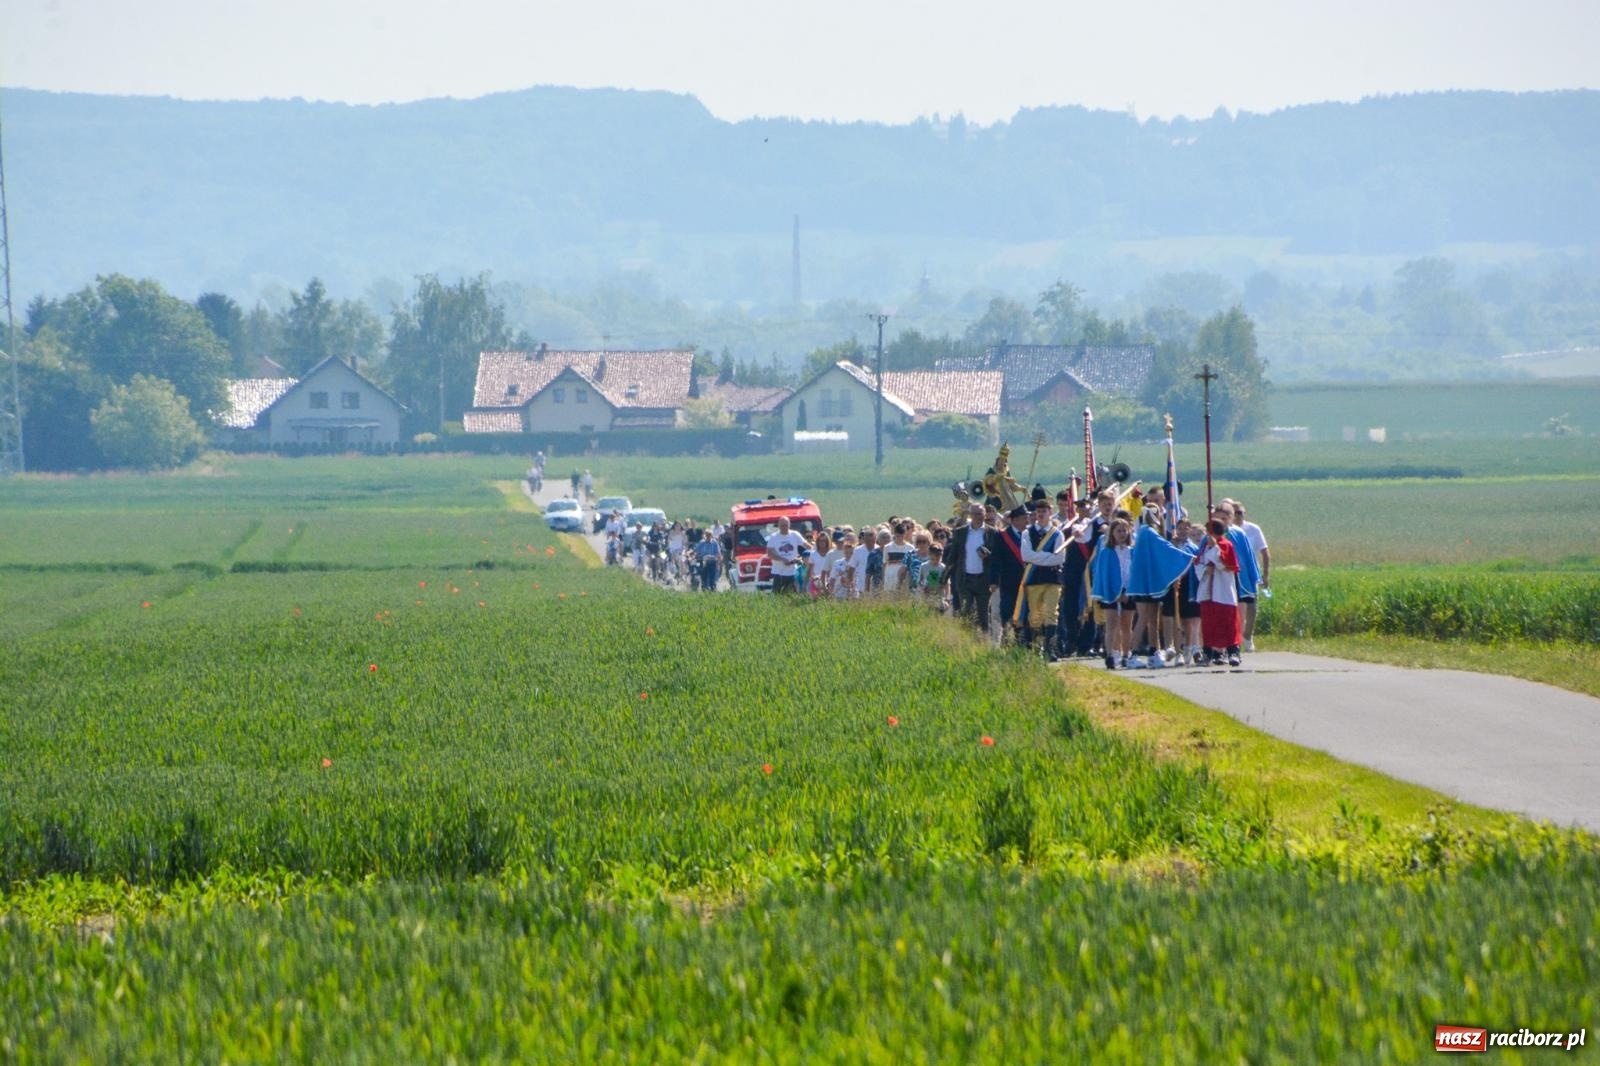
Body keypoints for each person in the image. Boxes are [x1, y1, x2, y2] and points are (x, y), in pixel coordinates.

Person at [1020, 498, 1069, 661]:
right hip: (1034, 579)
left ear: (1049, 512)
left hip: (1052, 579)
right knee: (1035, 615)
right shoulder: (1027, 533)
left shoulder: (1057, 534)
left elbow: (1059, 558)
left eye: (1044, 511)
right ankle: (1037, 647)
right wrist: (1046, 557)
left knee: (1051, 613)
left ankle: (1050, 648)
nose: (1040, 515)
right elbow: (1026, 555)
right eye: (1038, 512)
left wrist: (1037, 558)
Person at [1195, 516, 1243, 666]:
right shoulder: (1206, 546)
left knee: (1228, 622)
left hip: (1223, 590)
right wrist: (1205, 569)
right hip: (1208, 590)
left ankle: (1233, 651)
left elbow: (1226, 565)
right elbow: (1199, 563)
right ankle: (1209, 652)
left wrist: (1215, 548)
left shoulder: (1226, 545)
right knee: (1209, 623)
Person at [943, 503, 998, 633]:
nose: (977, 516)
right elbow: (953, 556)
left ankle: (984, 642)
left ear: (985, 514)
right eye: (974, 514)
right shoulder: (960, 532)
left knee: (983, 614)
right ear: (970, 515)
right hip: (965, 579)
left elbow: (997, 557)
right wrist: (944, 577)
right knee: (966, 612)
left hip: (983, 580)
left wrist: (988, 556)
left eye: (979, 513)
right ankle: (966, 641)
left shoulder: (992, 533)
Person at [1089, 517, 1135, 669]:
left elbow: (1133, 572)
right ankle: (1110, 654)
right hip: (1110, 592)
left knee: (1126, 625)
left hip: (1128, 590)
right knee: (1111, 623)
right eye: (1118, 531)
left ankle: (1126, 655)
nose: (1122, 534)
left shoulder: (1131, 551)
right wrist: (1110, 592)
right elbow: (1103, 573)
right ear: (1112, 533)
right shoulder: (1106, 552)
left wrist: (1128, 592)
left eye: (1124, 530)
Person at [1233, 501, 1271, 651]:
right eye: (1234, 513)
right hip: (1233, 573)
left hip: (1250, 573)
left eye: (1240, 513)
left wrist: (1266, 575)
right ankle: (1235, 637)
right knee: (1236, 606)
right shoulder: (1227, 530)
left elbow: (1264, 552)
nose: (1237, 516)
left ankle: (1247, 636)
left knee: (1252, 606)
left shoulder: (1253, 529)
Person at [992, 506, 1031, 644]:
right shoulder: (1002, 536)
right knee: (1008, 610)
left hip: (1027, 580)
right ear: (1014, 520)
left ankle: (1023, 639)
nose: (1027, 521)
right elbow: (995, 559)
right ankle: (1008, 638)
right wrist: (993, 580)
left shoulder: (1030, 534)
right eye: (1024, 518)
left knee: (1026, 611)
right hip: (1008, 581)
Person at [764, 515, 811, 594]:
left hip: (793, 571)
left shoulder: (795, 535)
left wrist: (810, 555)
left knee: (793, 595)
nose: (784, 527)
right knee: (777, 595)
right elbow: (769, 553)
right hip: (778, 572)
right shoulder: (773, 537)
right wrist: (782, 559)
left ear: (789, 525)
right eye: (782, 525)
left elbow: (807, 546)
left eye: (785, 525)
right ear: (778, 526)